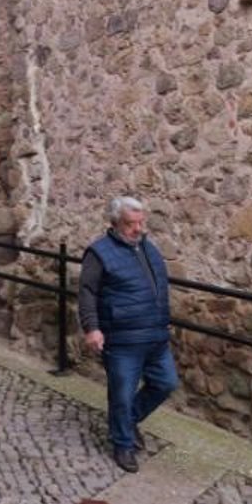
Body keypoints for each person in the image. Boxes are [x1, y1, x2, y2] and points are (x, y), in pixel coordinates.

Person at [77, 196, 179, 474]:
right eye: (131, 224)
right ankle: (122, 443)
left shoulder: (148, 248)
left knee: (166, 383)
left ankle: (126, 421)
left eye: (141, 222)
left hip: (155, 337)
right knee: (121, 395)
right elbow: (87, 293)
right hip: (122, 340)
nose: (138, 229)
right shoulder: (99, 253)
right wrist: (92, 327)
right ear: (115, 223)